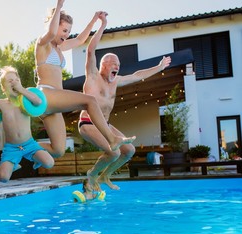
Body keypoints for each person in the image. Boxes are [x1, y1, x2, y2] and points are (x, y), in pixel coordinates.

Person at [78, 12, 171, 198]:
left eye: (118, 64)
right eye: (113, 63)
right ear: (102, 65)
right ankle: (91, 175)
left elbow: (138, 75)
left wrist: (159, 67)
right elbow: (90, 51)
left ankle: (106, 175)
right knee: (112, 153)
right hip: (88, 123)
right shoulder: (93, 77)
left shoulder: (116, 80)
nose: (116, 66)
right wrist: (102, 24)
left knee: (129, 150)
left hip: (106, 123)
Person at [35, 0, 135, 160]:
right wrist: (59, 6)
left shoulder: (60, 48)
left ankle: (21, 148)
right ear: (55, 26)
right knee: (90, 100)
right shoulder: (43, 44)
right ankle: (112, 139)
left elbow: (81, 40)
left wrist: (96, 20)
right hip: (45, 93)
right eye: (64, 30)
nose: (66, 35)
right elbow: (52, 33)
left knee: (57, 150)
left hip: (54, 103)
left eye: (69, 32)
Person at [0, 66, 54, 183]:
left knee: (49, 163)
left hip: (29, 144)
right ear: (3, 87)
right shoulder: (1, 104)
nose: (14, 83)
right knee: (3, 178)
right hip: (12, 148)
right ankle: (14, 164)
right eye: (10, 81)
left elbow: (38, 101)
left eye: (17, 80)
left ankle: (35, 159)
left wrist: (22, 90)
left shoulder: (25, 101)